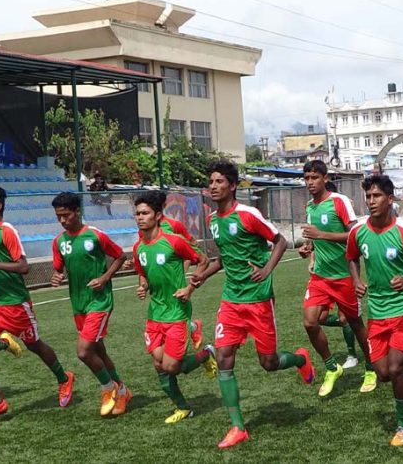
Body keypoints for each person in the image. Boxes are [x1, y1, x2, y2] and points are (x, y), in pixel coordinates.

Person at [191, 159, 314, 449]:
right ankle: (238, 427)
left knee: (268, 363)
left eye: (219, 181)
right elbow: (224, 259)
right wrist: (203, 277)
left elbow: (280, 241)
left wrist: (267, 269)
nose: (213, 186)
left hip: (258, 300)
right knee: (223, 358)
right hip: (231, 300)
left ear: (232, 186)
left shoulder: (248, 214)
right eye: (211, 181)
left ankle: (299, 359)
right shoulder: (213, 221)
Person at [346, 174, 403, 447]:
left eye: (377, 196)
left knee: (395, 368)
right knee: (383, 373)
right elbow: (351, 256)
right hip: (377, 311)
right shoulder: (358, 232)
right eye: (368, 197)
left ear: (390, 199)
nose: (371, 201)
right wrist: (356, 280)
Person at [0, 185, 74, 425]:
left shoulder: (7, 231)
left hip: (16, 304)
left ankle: (64, 378)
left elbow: (23, 266)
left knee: (34, 345)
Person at [132, 192, 217, 424]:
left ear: (158, 216)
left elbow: (203, 260)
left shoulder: (173, 240)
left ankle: (205, 354)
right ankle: (183, 408)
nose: (140, 218)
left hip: (177, 313)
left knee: (171, 366)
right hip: (154, 315)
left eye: (145, 213)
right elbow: (143, 275)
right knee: (159, 364)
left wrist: (190, 287)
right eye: (137, 213)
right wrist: (143, 287)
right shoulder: (138, 248)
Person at [298, 160, 376, 396]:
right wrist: (308, 247)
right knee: (310, 322)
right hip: (320, 276)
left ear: (325, 178)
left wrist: (322, 234)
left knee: (354, 323)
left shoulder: (338, 201)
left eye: (315, 178)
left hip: (344, 275)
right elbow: (314, 239)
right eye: (307, 178)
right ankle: (332, 367)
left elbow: (355, 236)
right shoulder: (310, 207)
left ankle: (371, 368)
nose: (310, 182)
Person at [50, 192, 130, 416]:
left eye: (66, 215)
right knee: (98, 351)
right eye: (59, 217)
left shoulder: (95, 235)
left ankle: (109, 389)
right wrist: (56, 277)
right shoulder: (59, 242)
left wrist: (105, 278)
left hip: (99, 302)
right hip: (78, 304)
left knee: (84, 352)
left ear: (77, 211)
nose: (63, 220)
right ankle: (123, 391)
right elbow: (58, 270)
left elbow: (120, 256)